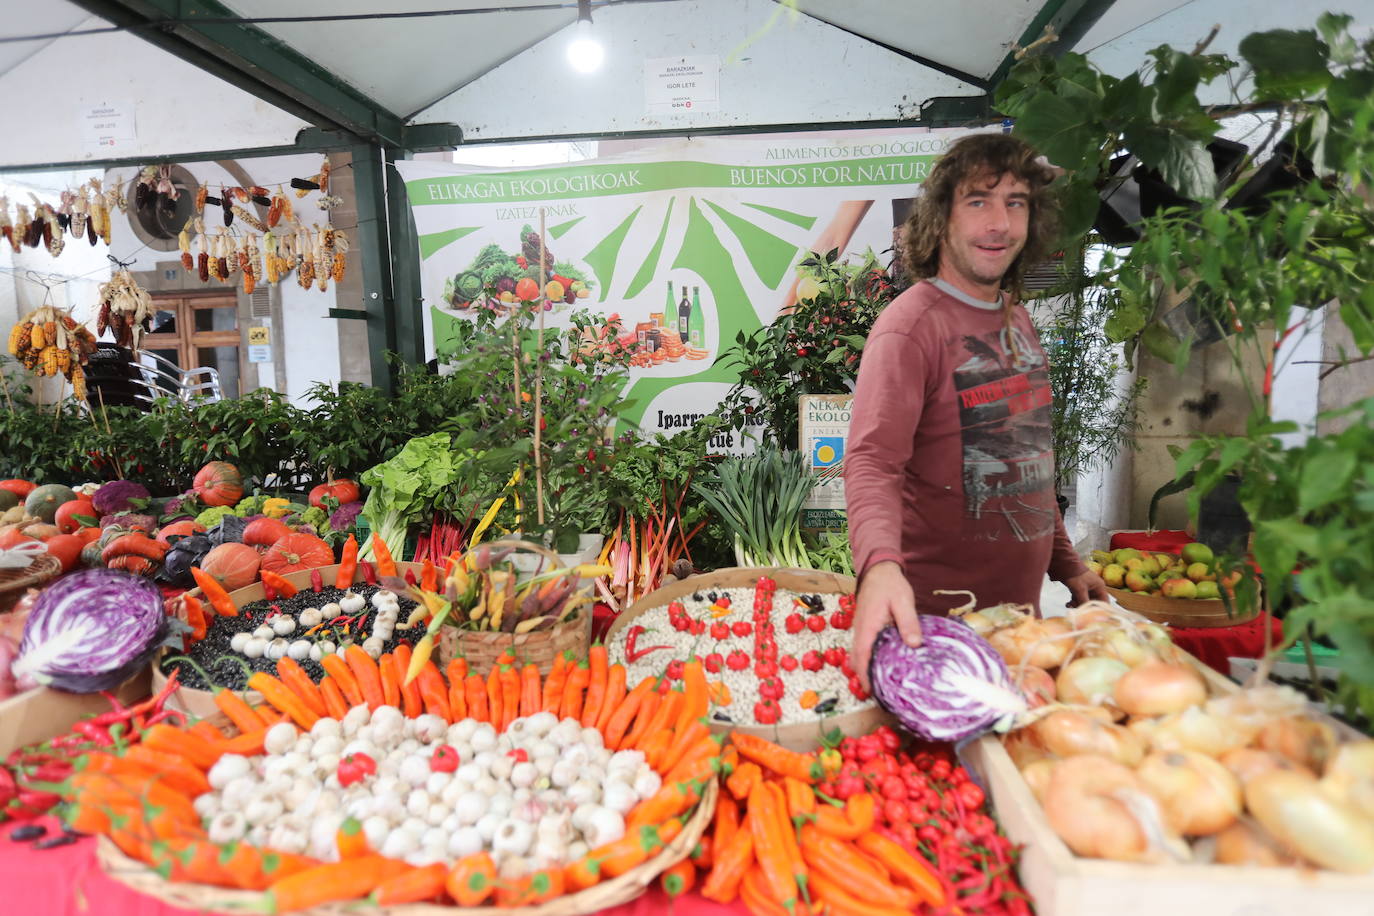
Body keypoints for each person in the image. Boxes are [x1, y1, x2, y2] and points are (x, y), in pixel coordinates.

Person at [844, 132, 1107, 689]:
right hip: (935, 629)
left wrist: (1067, 563)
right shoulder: (910, 329)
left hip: (1020, 626)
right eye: (978, 201)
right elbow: (871, 463)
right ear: (941, 219)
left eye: (1016, 203)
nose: (1000, 224)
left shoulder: (1017, 320)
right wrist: (880, 566)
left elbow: (1024, 459)